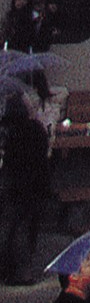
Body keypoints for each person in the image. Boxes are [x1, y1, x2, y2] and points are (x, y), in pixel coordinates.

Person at [0, 86, 52, 285]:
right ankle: (20, 271)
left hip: (16, 184)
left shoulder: (10, 130)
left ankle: (12, 269)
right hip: (33, 185)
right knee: (24, 228)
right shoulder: (35, 129)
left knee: (12, 227)